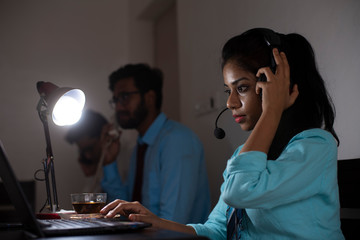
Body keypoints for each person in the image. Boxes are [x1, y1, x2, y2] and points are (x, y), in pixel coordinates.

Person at [100, 28, 345, 239]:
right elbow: (217, 230)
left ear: (278, 86)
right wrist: (154, 222)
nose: (230, 102)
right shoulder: (244, 156)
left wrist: (272, 110)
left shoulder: (315, 146)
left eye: (242, 88)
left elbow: (239, 191)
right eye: (228, 90)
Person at [100, 63, 211, 224]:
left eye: (124, 97)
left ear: (150, 98)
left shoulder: (176, 140)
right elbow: (125, 210)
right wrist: (109, 162)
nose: (118, 106)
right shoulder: (140, 146)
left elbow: (173, 221)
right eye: (115, 99)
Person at [65, 109, 137, 193]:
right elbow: (89, 201)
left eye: (90, 148)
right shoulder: (95, 163)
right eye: (83, 151)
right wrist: (92, 176)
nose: (88, 156)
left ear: (105, 136)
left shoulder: (130, 156)